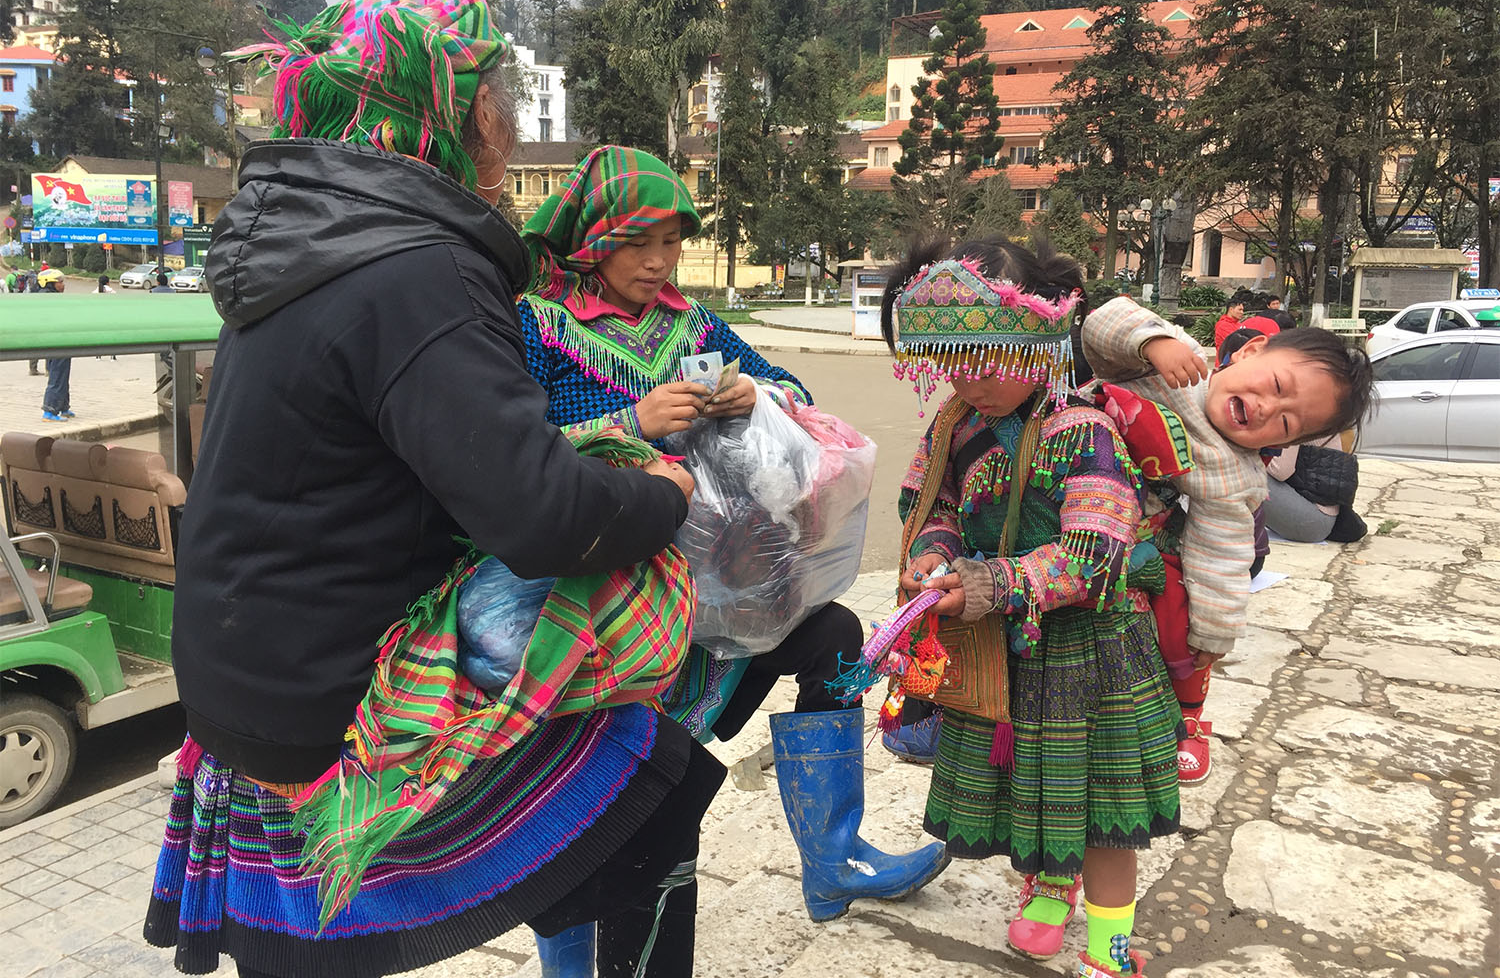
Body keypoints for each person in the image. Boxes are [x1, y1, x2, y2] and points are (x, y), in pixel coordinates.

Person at [143, 0, 726, 978]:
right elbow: (545, 517)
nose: (506, 117)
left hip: (237, 679)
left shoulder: (298, 245)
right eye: (494, 92)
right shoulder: (417, 268)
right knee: (655, 787)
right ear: (459, 111)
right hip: (329, 701)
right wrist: (667, 493)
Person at [515, 145, 950, 939]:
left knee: (835, 638)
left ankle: (833, 856)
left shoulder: (695, 324)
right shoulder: (536, 327)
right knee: (603, 811)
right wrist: (627, 426)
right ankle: (579, 943)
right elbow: (508, 459)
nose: (659, 261)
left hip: (722, 588)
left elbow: (801, 396)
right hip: (606, 605)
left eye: (673, 241)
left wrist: (762, 392)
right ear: (591, 240)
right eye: (638, 242)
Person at [881, 239, 1179, 978]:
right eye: (951, 359)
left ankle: (1110, 940)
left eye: (986, 358)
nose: (967, 379)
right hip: (1007, 651)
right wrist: (933, 554)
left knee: (1106, 805)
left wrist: (985, 584)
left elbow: (1092, 551)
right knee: (1033, 784)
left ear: (1039, 338)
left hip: (1093, 648)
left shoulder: (1083, 426)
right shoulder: (954, 425)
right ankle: (1047, 890)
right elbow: (931, 505)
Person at [1082, 298, 1374, 785]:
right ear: (1250, 350)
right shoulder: (1183, 365)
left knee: (1177, 609)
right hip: (1053, 476)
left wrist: (1214, 630)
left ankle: (1186, 715)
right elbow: (1101, 323)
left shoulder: (1235, 471)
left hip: (1123, 535)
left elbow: (1222, 549)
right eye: (1277, 386)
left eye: (1285, 422)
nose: (1266, 408)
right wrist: (1155, 342)